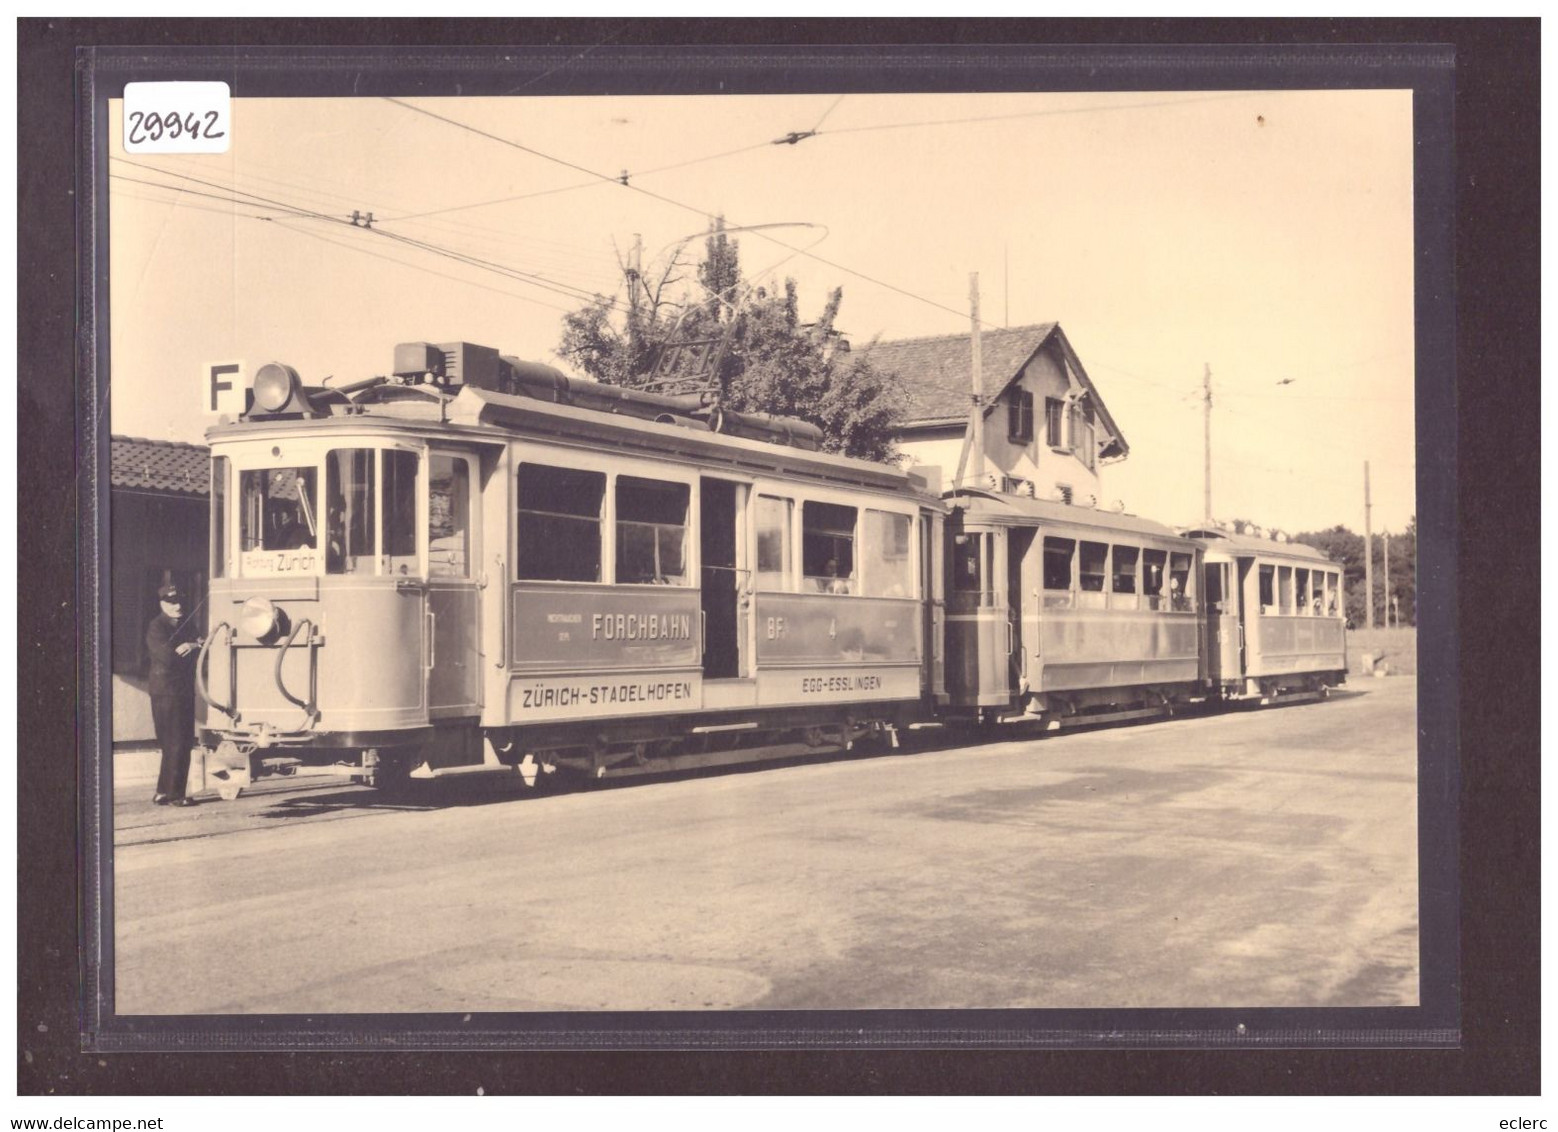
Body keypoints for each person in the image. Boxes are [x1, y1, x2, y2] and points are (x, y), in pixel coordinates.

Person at [146, 583, 201, 806]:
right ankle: (176, 794)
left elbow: (202, 644)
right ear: (162, 604)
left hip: (182, 691)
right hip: (166, 692)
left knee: (178, 742)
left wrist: (192, 645)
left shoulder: (188, 625)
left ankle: (162, 791)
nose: (177, 606)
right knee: (174, 742)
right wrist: (191, 649)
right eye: (171, 602)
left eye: (179, 601)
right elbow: (168, 658)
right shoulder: (157, 627)